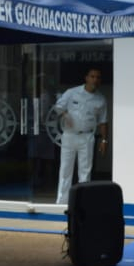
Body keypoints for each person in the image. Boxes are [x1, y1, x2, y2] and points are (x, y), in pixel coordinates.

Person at [51, 67, 108, 204]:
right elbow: (58, 106)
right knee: (65, 169)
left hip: (87, 137)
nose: (95, 80)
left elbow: (103, 122)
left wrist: (105, 140)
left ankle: (83, 202)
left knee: (85, 171)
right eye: (92, 76)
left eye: (98, 77)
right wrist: (65, 115)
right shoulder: (72, 92)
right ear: (86, 78)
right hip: (69, 136)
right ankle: (62, 202)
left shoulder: (101, 99)